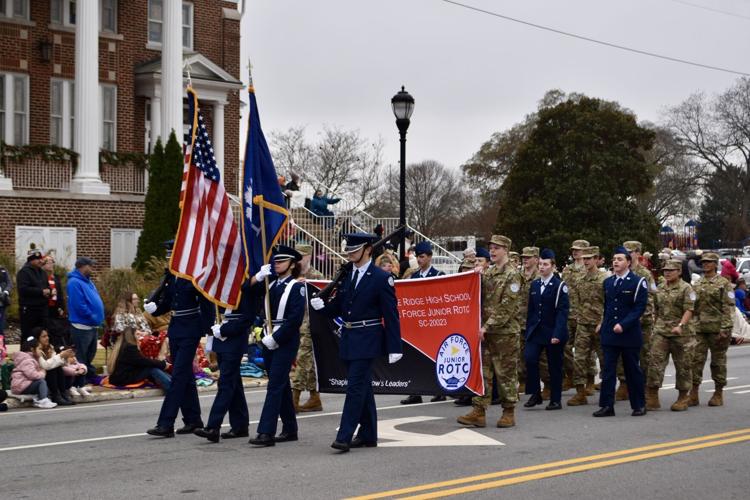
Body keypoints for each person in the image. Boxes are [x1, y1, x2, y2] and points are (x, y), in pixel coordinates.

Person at [311, 233, 402, 452]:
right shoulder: (347, 275)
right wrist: (322, 307)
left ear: (368, 249)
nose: (350, 254)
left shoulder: (381, 278)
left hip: (368, 338)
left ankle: (344, 435)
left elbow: (391, 314)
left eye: (355, 250)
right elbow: (340, 307)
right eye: (349, 250)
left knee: (354, 389)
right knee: (363, 388)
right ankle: (369, 434)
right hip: (350, 338)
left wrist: (394, 346)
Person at [144, 243, 215, 438]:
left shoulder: (193, 277)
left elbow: (207, 305)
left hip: (190, 328)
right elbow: (168, 302)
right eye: (168, 257)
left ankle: (165, 423)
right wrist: (155, 309)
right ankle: (193, 420)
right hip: (175, 328)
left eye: (172, 256)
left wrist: (207, 331)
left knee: (178, 376)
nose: (169, 260)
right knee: (186, 377)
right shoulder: (173, 276)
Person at [457, 235, 522, 429]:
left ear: (506, 250)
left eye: (497, 248)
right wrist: (474, 275)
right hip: (486, 332)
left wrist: (487, 326)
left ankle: (508, 411)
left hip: (505, 333)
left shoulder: (513, 274)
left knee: (505, 374)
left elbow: (507, 307)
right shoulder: (489, 272)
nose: (492, 251)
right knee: (483, 373)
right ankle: (479, 411)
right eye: (491, 248)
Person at [248, 246, 307, 447]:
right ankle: (290, 429)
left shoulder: (296, 287)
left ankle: (266, 432)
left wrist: (277, 338)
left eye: (281, 261)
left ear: (292, 264)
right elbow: (246, 290)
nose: (277, 264)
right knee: (279, 385)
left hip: (285, 340)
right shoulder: (270, 284)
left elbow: (294, 319)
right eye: (276, 261)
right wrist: (257, 276)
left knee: (274, 386)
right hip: (267, 338)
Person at [195, 280, 259, 443]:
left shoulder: (245, 288)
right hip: (220, 339)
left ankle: (213, 427)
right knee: (234, 383)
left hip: (235, 339)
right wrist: (213, 331)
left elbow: (248, 318)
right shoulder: (222, 287)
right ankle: (240, 426)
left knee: (225, 383)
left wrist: (224, 330)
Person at [593, 246, 648, 417]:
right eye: (614, 259)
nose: (615, 262)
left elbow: (639, 308)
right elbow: (608, 307)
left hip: (629, 334)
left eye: (620, 259)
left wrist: (623, 324)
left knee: (632, 370)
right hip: (610, 333)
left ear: (629, 262)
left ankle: (638, 405)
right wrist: (603, 323)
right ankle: (607, 405)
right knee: (608, 371)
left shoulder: (638, 282)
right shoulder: (608, 282)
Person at [645, 259, 695, 412]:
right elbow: (657, 309)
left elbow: (689, 309)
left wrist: (680, 325)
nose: (667, 272)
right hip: (661, 331)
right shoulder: (660, 288)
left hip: (681, 333)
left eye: (671, 270)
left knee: (683, 366)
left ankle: (683, 397)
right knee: (654, 362)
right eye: (665, 270)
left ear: (679, 272)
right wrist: (655, 325)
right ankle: (652, 397)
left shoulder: (687, 288)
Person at [523, 249, 569, 410]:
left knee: (554, 366)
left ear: (553, 266)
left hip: (553, 331)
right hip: (536, 330)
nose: (542, 267)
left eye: (546, 264)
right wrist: (528, 329)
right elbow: (532, 310)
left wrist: (557, 333)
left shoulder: (559, 286)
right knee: (529, 359)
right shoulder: (535, 284)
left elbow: (563, 312)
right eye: (541, 264)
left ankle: (555, 399)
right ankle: (536, 394)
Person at [401, 241, 446, 405]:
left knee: (435, 357)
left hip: (433, 323)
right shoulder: (413, 276)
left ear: (429, 257)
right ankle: (415, 392)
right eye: (417, 257)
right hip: (417, 323)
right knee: (415, 357)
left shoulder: (438, 275)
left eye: (422, 257)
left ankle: (439, 390)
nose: (419, 260)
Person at [689, 252, 735, 407]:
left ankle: (718, 392)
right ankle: (693, 392)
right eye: (703, 262)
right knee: (696, 360)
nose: (705, 264)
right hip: (700, 328)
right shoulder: (698, 283)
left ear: (716, 264)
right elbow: (692, 307)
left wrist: (725, 328)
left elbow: (728, 307)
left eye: (709, 262)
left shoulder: (724, 283)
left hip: (717, 329)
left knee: (718, 362)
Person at [615, 241, 657, 402]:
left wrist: (639, 316)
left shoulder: (644, 274)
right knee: (620, 356)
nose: (628, 255)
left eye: (630, 252)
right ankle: (624, 383)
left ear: (637, 253)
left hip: (642, 322)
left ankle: (643, 385)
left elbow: (651, 298)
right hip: (623, 323)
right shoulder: (619, 272)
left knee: (644, 355)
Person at [567, 246, 607, 406]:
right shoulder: (579, 279)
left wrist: (603, 322)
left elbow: (609, 303)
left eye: (589, 258)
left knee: (605, 359)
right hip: (583, 324)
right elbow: (575, 301)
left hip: (599, 325)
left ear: (596, 259)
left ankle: (607, 389)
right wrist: (577, 318)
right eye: (584, 259)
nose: (586, 262)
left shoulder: (604, 279)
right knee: (580, 359)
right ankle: (580, 392)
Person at [293, 243, 326, 413]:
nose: (299, 260)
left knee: (302, 358)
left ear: (309, 257)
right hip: (293, 323)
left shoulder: (316, 277)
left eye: (302, 256)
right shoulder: (292, 275)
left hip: (309, 324)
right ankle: (314, 397)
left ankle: (295, 396)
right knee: (309, 362)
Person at [66, 257, 105, 386]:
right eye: (90, 265)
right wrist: (92, 316)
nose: (92, 268)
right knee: (81, 356)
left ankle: (87, 377)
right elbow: (79, 305)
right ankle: (78, 382)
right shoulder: (74, 282)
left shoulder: (88, 282)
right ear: (82, 266)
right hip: (82, 325)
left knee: (90, 354)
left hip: (91, 325)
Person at [560, 239, 590, 390]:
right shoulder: (567, 270)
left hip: (584, 315)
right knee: (565, 346)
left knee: (585, 350)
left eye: (578, 249)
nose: (575, 252)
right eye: (573, 249)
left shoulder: (589, 269)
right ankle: (570, 375)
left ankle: (589, 380)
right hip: (568, 313)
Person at [10, 336, 57, 408]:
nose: (41, 351)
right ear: (32, 349)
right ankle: (42, 400)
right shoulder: (27, 360)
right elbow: (32, 375)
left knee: (42, 383)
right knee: (41, 382)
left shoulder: (31, 358)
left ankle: (43, 398)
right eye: (39, 349)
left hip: (24, 384)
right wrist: (42, 373)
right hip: (20, 386)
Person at [35, 327, 76, 406]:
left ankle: (63, 394)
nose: (47, 338)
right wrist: (60, 355)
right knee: (52, 369)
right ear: (38, 339)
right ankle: (56, 395)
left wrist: (65, 357)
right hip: (39, 377)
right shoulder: (36, 350)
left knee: (58, 368)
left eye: (47, 336)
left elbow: (56, 362)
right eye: (44, 337)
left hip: (49, 376)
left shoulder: (50, 347)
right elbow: (45, 366)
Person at [17, 248, 50, 339]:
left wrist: (49, 291)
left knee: (41, 335)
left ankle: (39, 353)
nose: (40, 261)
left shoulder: (42, 272)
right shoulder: (24, 272)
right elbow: (23, 289)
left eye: (41, 258)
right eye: (37, 259)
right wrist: (41, 291)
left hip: (42, 309)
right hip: (29, 310)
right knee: (28, 335)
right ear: (31, 260)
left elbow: (47, 286)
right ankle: (26, 353)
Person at [41, 255, 71, 352]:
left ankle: (58, 349)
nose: (51, 264)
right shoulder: (41, 277)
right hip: (45, 308)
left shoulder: (56, 278)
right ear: (43, 265)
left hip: (55, 308)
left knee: (57, 331)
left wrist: (61, 307)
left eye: (52, 262)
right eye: (48, 262)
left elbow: (60, 294)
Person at [0, 264, 12, 334]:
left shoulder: (2, 269)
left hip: (2, 302)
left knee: (1, 327)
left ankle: (1, 344)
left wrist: (5, 292)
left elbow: (9, 283)